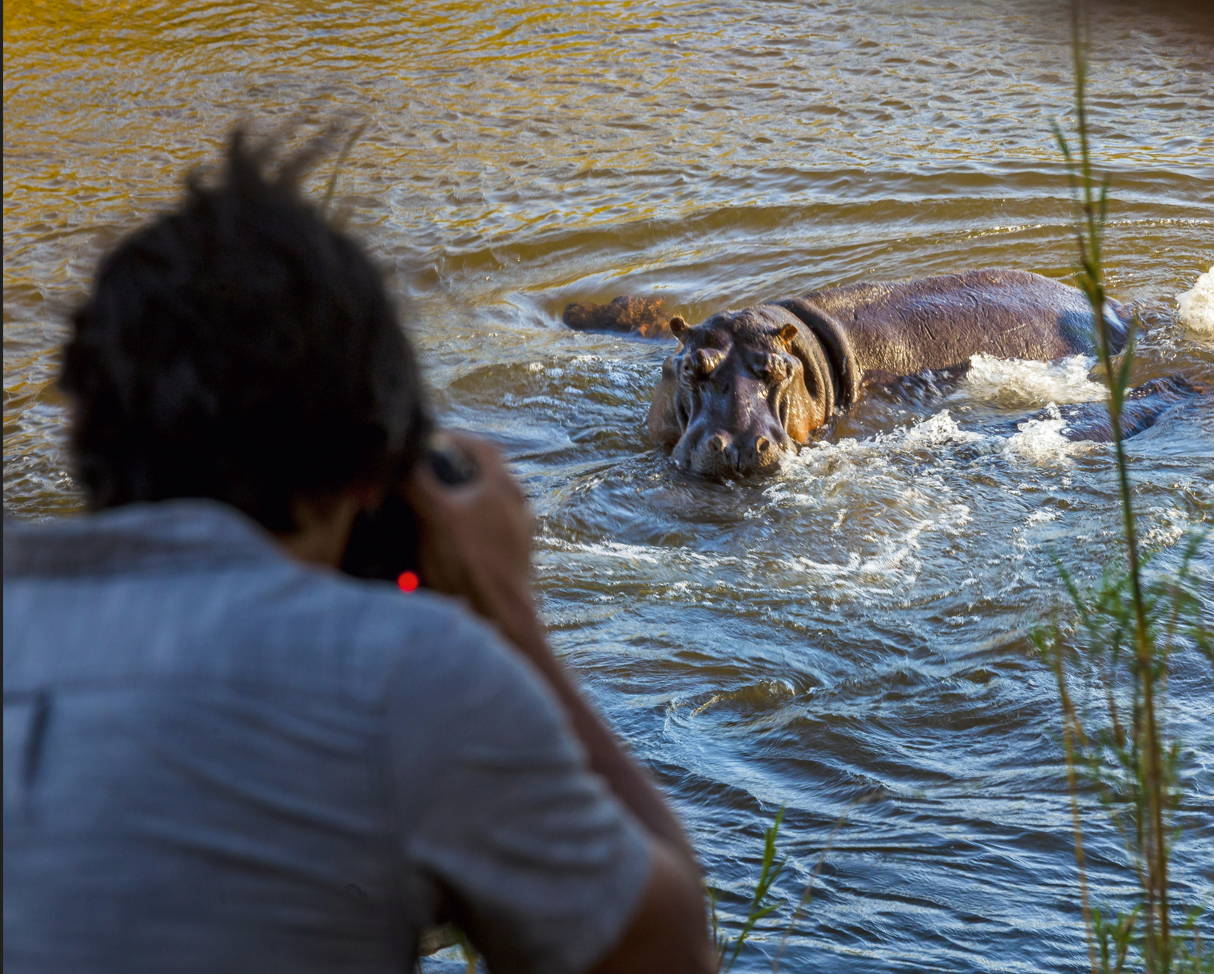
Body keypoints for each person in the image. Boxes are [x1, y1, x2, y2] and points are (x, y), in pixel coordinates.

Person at [2, 134, 713, 974]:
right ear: (374, 461)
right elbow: (670, 956)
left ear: (84, 428)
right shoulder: (404, 678)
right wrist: (508, 615)